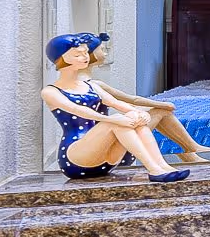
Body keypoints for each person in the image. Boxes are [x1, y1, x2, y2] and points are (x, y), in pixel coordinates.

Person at [41, 33, 189, 182]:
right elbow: (78, 110)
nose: (85, 57)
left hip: (106, 160)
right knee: (118, 120)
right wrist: (113, 120)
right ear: (63, 58)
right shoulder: (51, 91)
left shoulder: (91, 86)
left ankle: (162, 166)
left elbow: (116, 103)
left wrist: (137, 113)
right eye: (78, 55)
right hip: (76, 158)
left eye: (86, 52)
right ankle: (154, 169)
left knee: (133, 118)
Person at [89, 37, 210, 163]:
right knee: (159, 112)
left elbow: (133, 99)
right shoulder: (90, 86)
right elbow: (125, 103)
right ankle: (191, 149)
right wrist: (160, 107)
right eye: (101, 50)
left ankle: (191, 154)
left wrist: (162, 104)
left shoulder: (95, 83)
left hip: (104, 134)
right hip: (103, 144)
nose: (105, 53)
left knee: (158, 111)